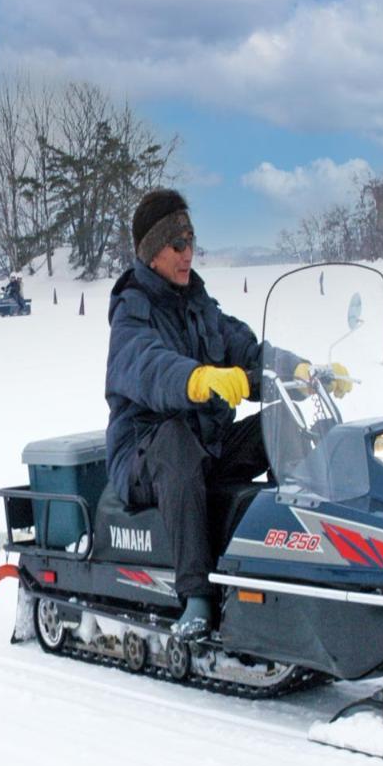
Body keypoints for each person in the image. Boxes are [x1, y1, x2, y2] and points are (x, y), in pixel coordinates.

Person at [105, 189, 350, 639]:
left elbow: (246, 349)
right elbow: (144, 364)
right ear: (152, 251)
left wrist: (297, 369)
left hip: (207, 445)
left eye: (191, 243)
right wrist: (197, 379)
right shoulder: (131, 311)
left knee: (279, 425)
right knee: (175, 440)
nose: (187, 254)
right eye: (177, 245)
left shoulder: (198, 304)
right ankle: (195, 597)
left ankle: (311, 549)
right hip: (144, 456)